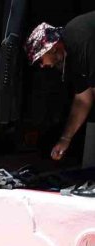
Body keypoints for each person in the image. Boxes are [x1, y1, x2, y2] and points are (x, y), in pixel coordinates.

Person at [26, 13, 95, 161]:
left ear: (52, 48)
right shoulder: (71, 55)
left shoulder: (81, 40)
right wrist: (65, 139)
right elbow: (83, 98)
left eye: (40, 60)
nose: (43, 66)